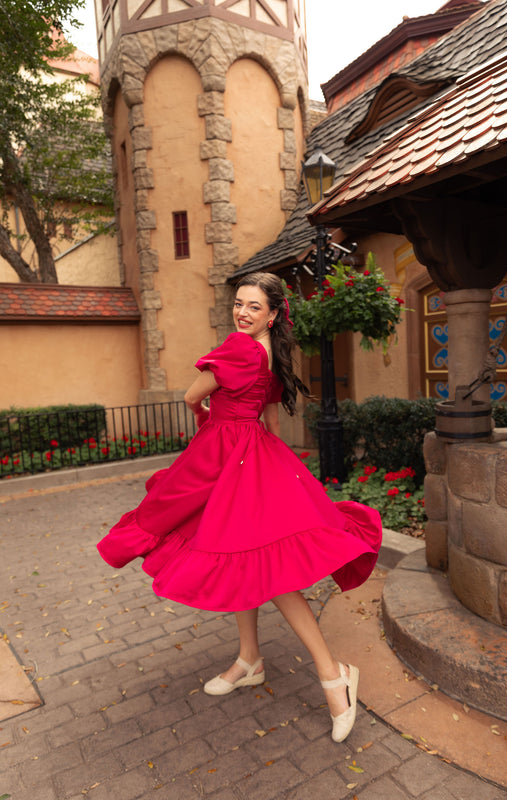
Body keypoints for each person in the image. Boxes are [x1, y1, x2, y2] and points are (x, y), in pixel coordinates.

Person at [97, 271, 381, 743]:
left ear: (272, 314)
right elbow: (268, 420)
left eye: (253, 306)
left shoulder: (240, 347)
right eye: (239, 304)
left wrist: (210, 420)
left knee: (272, 569)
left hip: (230, 460)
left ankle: (335, 676)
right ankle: (250, 658)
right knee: (243, 561)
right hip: (250, 458)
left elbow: (192, 396)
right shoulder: (271, 355)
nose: (242, 312)